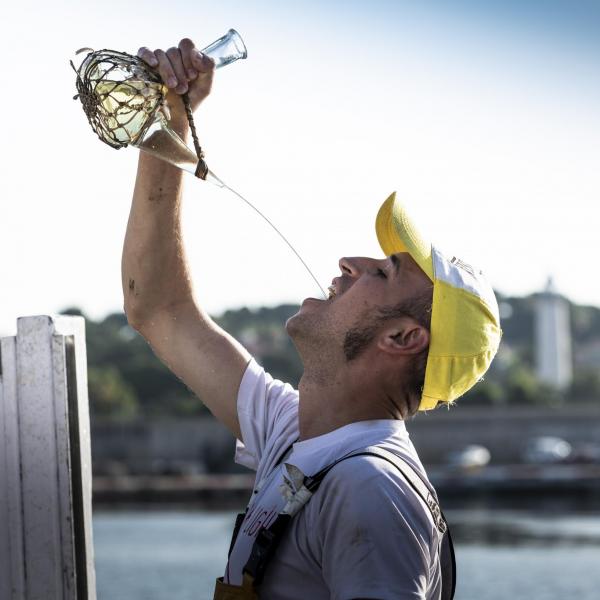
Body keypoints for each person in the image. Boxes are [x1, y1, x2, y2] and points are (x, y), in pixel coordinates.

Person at [124, 38, 502, 600]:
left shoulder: (371, 490)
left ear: (402, 337)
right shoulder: (294, 431)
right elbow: (158, 306)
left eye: (381, 272)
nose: (350, 262)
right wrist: (172, 121)